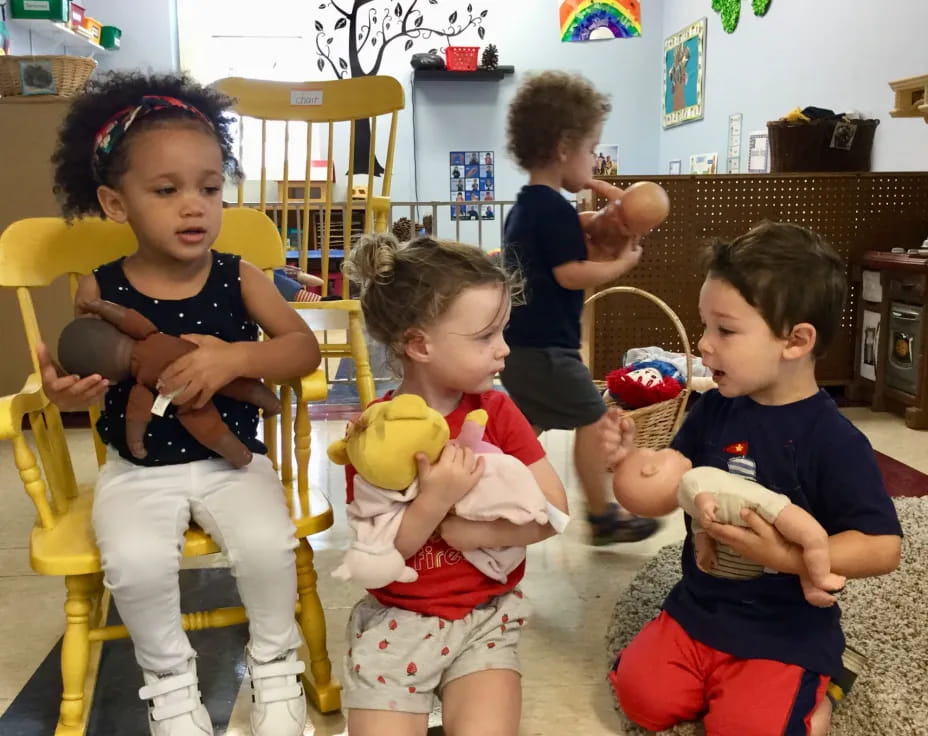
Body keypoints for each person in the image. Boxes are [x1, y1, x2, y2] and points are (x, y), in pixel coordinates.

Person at [38, 72, 321, 736]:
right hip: (138, 468)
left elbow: (301, 350)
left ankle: (277, 670)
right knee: (133, 563)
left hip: (234, 461)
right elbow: (81, 360)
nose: (193, 206)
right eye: (166, 191)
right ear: (115, 203)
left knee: (268, 546)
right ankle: (169, 685)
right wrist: (63, 391)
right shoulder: (99, 287)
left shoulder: (239, 276)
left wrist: (237, 357)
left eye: (210, 188)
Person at [604, 222, 902, 735]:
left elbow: (882, 548)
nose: (703, 345)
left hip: (784, 631)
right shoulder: (714, 410)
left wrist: (788, 559)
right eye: (704, 326)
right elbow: (659, 493)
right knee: (643, 701)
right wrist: (629, 465)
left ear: (796, 340)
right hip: (699, 610)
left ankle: (821, 688)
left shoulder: (834, 441)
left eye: (726, 329)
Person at [338, 233, 569, 736]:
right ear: (420, 343)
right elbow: (376, 567)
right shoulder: (374, 435)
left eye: (503, 331)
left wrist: (473, 532)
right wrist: (435, 503)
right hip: (397, 621)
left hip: (486, 619)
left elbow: (555, 511)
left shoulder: (498, 412)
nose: (504, 349)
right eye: (486, 336)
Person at [500, 70, 657, 545]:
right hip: (548, 349)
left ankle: (485, 484)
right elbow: (570, 272)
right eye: (592, 149)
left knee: (521, 431)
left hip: (524, 347)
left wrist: (610, 207)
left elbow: (573, 236)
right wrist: (622, 266)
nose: (594, 160)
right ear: (566, 147)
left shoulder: (530, 206)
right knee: (593, 418)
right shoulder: (552, 209)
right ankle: (602, 513)